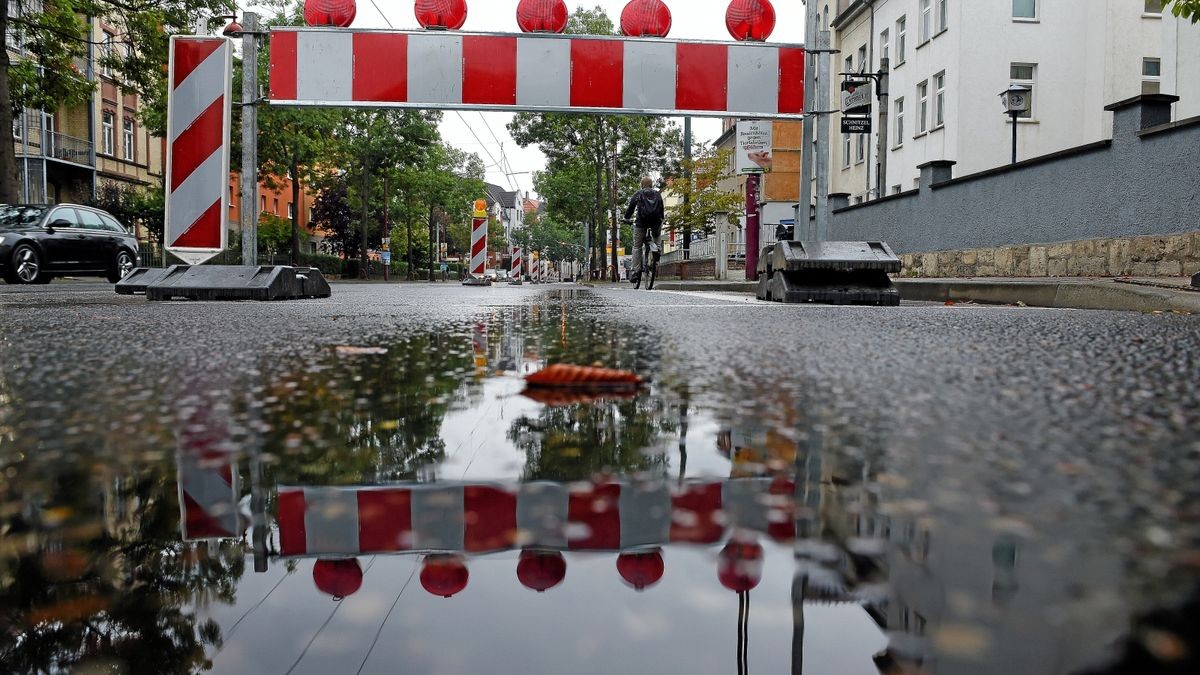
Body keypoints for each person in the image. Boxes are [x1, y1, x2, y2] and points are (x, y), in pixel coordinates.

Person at [623, 176, 665, 285]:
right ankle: (656, 254)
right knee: (657, 238)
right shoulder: (658, 194)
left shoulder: (639, 194)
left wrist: (626, 218)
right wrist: (661, 220)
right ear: (651, 185)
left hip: (641, 223)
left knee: (637, 246)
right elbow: (661, 209)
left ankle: (636, 271)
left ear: (642, 185)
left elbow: (631, 208)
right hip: (656, 222)